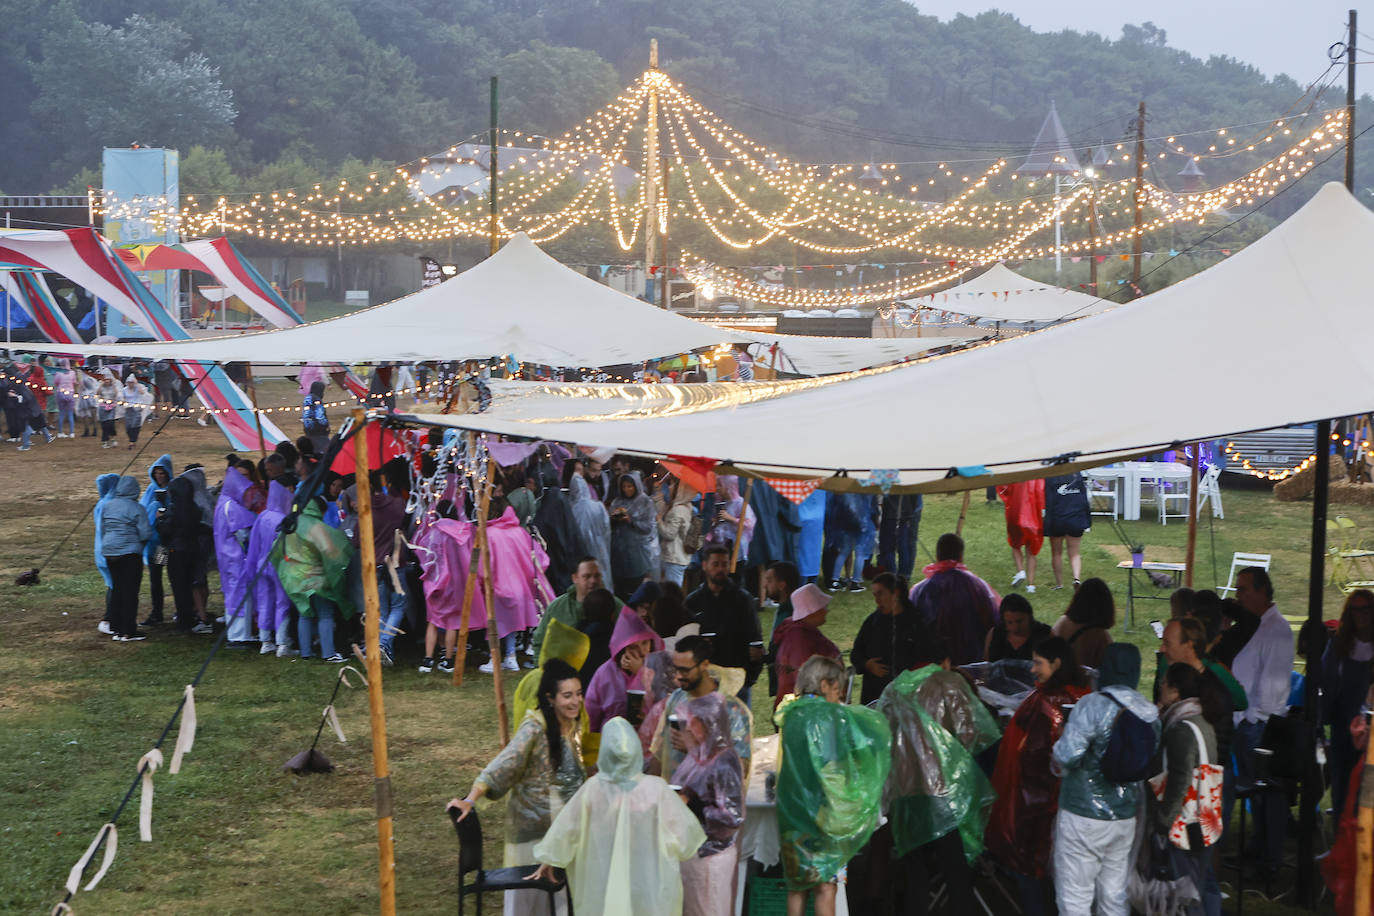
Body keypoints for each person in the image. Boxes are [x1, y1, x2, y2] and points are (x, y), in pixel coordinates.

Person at [527, 716, 704, 916]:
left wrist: (550, 858)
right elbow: (686, 841)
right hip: (650, 889)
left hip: (602, 885)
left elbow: (567, 829)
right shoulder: (657, 790)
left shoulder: (592, 790)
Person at [449, 660, 587, 916]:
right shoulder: (534, 728)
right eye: (567, 695)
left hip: (563, 830)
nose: (575, 701)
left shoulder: (571, 726)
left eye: (578, 694)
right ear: (550, 698)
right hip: (535, 833)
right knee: (531, 905)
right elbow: (503, 766)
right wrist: (470, 799)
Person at [876, 641, 1000, 916]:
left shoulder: (893, 690)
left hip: (905, 794)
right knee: (956, 871)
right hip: (945, 794)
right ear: (943, 660)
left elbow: (881, 742)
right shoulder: (949, 683)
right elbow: (973, 734)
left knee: (915, 873)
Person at [776, 656, 892, 916]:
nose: (839, 696)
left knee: (797, 886)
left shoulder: (792, 714)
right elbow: (856, 750)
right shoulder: (832, 716)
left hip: (793, 813)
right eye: (838, 689)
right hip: (825, 813)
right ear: (825, 684)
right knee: (826, 886)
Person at [1051, 644, 1161, 916]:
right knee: (1114, 893)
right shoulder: (1149, 713)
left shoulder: (1091, 705)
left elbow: (1066, 756)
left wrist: (1061, 737)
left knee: (1075, 895)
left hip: (1082, 815)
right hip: (1125, 817)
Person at [986, 636, 1090, 916]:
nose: (1032, 670)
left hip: (1039, 807)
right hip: (1068, 805)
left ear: (1057, 663)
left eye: (1038, 663)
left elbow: (1038, 759)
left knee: (1031, 870)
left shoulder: (1049, 704)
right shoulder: (1082, 695)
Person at [1228, 566, 1293, 872]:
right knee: (1258, 792)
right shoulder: (1253, 625)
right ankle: (1258, 847)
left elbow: (1273, 686)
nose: (1237, 596)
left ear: (1261, 592)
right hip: (1248, 720)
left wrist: (1252, 718)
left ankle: (1270, 857)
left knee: (1268, 792)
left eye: (1243, 590)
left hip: (1261, 724)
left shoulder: (1276, 630)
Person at [1148, 664, 1222, 916]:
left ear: (1176, 691)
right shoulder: (1203, 720)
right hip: (1204, 820)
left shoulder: (1181, 728)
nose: (1160, 687)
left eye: (1164, 683)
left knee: (1184, 894)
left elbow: (1180, 781)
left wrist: (1162, 823)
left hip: (1184, 824)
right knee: (1197, 888)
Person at [675, 692, 746, 916]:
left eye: (693, 722)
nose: (687, 728)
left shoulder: (724, 762)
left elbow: (732, 817)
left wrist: (694, 807)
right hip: (693, 856)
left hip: (710, 861)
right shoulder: (698, 757)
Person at [648, 634, 753, 782]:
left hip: (709, 801)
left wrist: (697, 750)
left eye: (685, 670)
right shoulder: (677, 698)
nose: (678, 677)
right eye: (675, 669)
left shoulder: (732, 710)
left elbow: (741, 769)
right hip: (674, 798)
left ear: (704, 665)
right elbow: (660, 751)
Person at [272, 492, 356, 662]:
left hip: (294, 577)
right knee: (325, 613)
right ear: (319, 509)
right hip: (315, 577)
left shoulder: (292, 523)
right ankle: (328, 653)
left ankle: (306, 652)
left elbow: (276, 548)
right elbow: (330, 550)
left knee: (305, 613)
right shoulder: (315, 526)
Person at [685, 545, 763, 705]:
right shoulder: (693, 602)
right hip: (704, 681)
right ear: (704, 565)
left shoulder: (743, 599)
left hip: (738, 681)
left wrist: (749, 680)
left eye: (724, 564)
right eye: (716, 564)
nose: (721, 569)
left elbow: (755, 642)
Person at [909, 533, 1000, 666]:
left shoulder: (920, 590)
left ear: (938, 555)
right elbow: (996, 619)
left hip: (932, 663)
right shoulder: (978, 586)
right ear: (961, 555)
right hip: (972, 661)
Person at [1321, 589, 1374, 819]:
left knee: (1367, 792)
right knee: (1342, 786)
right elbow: (1325, 682)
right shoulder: (1337, 645)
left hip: (1371, 731)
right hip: (1343, 727)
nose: (1361, 615)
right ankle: (1340, 844)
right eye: (1355, 610)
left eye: (1366, 609)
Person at [348, 469, 408, 667]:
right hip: (396, 563)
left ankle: (382, 646)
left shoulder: (365, 512)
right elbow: (406, 522)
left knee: (382, 610)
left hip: (375, 565)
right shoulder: (397, 504)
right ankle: (384, 645)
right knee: (398, 606)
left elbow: (356, 542)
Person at [852, 572, 930, 705]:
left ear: (896, 593)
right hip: (875, 695)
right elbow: (856, 653)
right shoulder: (873, 622)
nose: (877, 600)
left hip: (908, 697)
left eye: (880, 594)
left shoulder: (917, 622)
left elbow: (930, 657)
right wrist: (867, 664)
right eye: (874, 595)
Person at [585, 606, 664, 731]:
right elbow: (591, 714)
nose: (642, 652)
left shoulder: (659, 669)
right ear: (622, 648)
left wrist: (641, 673)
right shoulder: (605, 672)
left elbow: (663, 707)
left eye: (645, 643)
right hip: (611, 741)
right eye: (633, 647)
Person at [529, 557, 621, 659]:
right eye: (587, 576)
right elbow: (539, 642)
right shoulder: (557, 607)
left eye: (597, 576)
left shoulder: (616, 605)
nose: (593, 580)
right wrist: (541, 668)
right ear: (575, 578)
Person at [771, 583, 841, 707]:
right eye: (822, 606)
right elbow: (806, 682)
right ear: (811, 611)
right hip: (805, 711)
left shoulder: (803, 633)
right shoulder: (799, 640)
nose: (826, 610)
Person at [102, 476, 153, 641]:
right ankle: (128, 630)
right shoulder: (137, 508)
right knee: (130, 592)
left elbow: (104, 527)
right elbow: (145, 533)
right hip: (129, 552)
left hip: (110, 551)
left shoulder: (108, 505)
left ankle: (115, 628)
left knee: (117, 588)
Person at [215, 465, 260, 644]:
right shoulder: (230, 506)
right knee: (240, 595)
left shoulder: (222, 502)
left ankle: (238, 634)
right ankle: (240, 635)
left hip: (227, 557)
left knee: (233, 594)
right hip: (236, 557)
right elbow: (242, 532)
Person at [609, 472, 658, 599]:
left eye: (630, 486)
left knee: (636, 592)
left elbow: (648, 527)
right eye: (624, 486)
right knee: (620, 592)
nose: (627, 489)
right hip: (618, 555)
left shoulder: (645, 502)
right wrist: (614, 519)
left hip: (638, 555)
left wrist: (631, 521)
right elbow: (608, 526)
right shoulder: (617, 501)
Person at [138, 454, 174, 627]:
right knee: (155, 577)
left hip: (166, 543)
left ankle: (181, 610)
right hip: (154, 544)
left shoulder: (174, 490)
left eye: (162, 472)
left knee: (174, 577)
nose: (159, 476)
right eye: (156, 472)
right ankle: (157, 611)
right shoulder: (151, 491)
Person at [1051, 576, 1116, 669]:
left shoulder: (1063, 623)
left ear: (1077, 598)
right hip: (1086, 682)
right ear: (1106, 606)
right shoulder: (1102, 636)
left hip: (1060, 680)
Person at [566, 464, 613, 589]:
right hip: (600, 547)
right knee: (601, 575)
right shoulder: (598, 506)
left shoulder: (571, 509)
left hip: (581, 551)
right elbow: (607, 529)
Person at [1043, 471, 1090, 589]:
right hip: (1076, 518)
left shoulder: (1050, 476)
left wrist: (1047, 522)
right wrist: (1087, 519)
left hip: (1057, 518)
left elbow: (1048, 501)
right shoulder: (1077, 475)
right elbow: (1084, 500)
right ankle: (1076, 578)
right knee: (1075, 552)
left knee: (1056, 553)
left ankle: (1059, 584)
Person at [999, 478, 1045, 593]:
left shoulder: (1017, 474)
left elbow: (1004, 488)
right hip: (1034, 516)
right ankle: (1031, 586)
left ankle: (1020, 571)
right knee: (1031, 550)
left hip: (1016, 513)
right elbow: (1042, 492)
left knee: (1015, 545)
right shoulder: (1039, 476)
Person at [985, 593, 1052, 662]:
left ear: (1030, 617)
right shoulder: (995, 634)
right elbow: (986, 665)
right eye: (1009, 622)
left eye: (1019, 621)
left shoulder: (1045, 635)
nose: (1015, 628)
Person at [658, 477, 699, 586]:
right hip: (682, 556)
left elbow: (670, 534)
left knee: (671, 592)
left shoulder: (677, 510)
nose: (669, 488)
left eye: (673, 485)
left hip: (673, 557)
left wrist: (659, 522)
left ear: (680, 490)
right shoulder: (687, 506)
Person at [877, 493, 922, 581]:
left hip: (890, 516)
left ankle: (893, 573)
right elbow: (914, 497)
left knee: (889, 547)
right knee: (903, 546)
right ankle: (903, 574)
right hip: (904, 515)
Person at [122, 374, 152, 448]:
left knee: (135, 424)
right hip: (128, 408)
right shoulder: (124, 389)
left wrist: (136, 384)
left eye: (132, 382)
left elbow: (142, 392)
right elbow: (122, 398)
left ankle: (132, 441)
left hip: (137, 408)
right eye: (129, 382)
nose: (130, 384)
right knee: (128, 426)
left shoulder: (138, 388)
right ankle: (131, 439)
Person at [301, 380, 330, 455]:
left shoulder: (307, 398)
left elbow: (306, 414)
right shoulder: (317, 400)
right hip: (319, 431)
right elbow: (319, 416)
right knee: (323, 452)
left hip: (308, 429)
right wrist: (326, 425)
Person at [52, 360, 76, 438]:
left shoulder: (58, 372)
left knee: (61, 413)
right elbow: (74, 382)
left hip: (61, 393)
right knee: (70, 414)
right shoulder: (72, 372)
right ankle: (72, 432)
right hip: (70, 393)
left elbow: (55, 383)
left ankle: (60, 432)